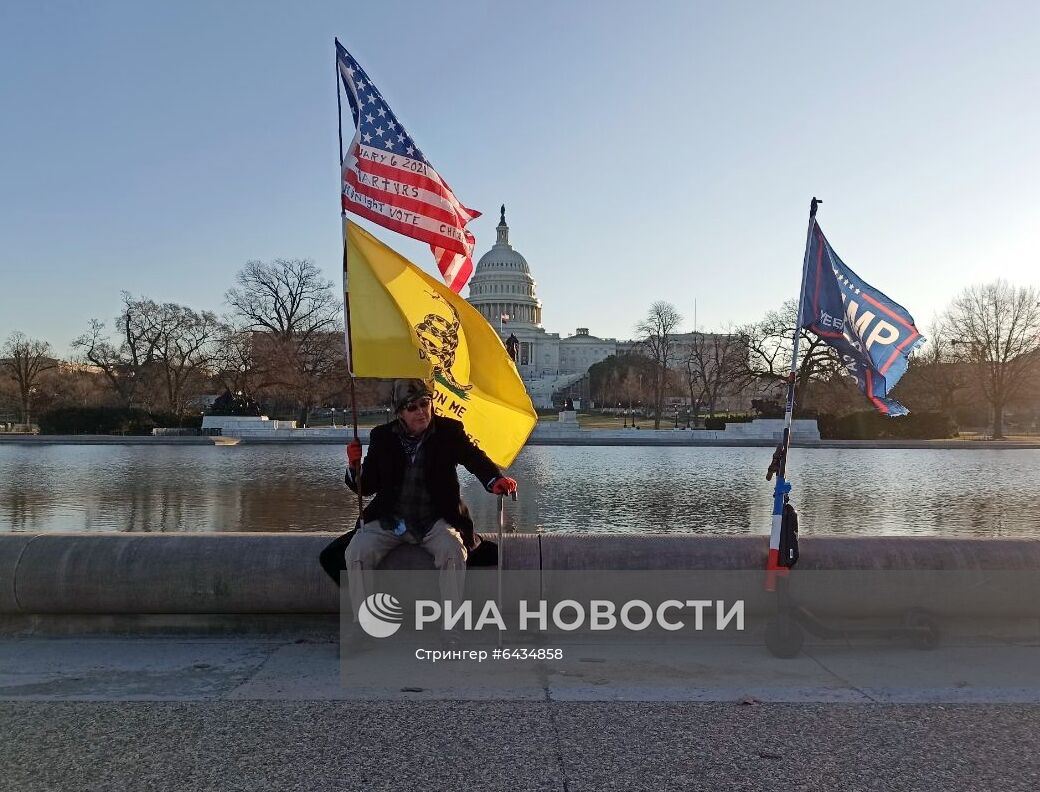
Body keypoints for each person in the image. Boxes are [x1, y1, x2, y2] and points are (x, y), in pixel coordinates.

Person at [344, 378, 517, 639]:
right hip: (392, 518)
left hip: (435, 519)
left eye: (426, 404)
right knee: (356, 551)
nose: (422, 411)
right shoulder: (382, 436)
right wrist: (354, 466)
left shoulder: (449, 431)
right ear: (400, 412)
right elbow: (366, 487)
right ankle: (362, 625)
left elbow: (474, 458)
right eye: (413, 407)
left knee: (453, 551)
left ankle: (451, 625)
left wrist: (494, 480)